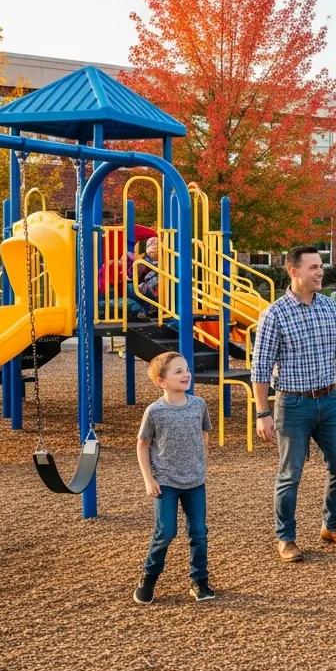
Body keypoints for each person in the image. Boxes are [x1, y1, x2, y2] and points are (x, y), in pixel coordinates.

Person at [252, 245, 336, 563]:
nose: (320, 272)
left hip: (328, 401)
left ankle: (333, 527)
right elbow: (260, 369)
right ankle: (286, 538)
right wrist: (263, 413)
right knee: (291, 473)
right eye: (314, 267)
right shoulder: (275, 314)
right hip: (293, 404)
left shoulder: (329, 308)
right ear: (294, 271)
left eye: (321, 266)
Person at [134, 351, 215, 605]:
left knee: (199, 532)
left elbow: (204, 433)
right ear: (161, 381)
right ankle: (148, 578)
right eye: (178, 371)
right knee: (166, 531)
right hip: (166, 482)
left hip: (194, 482)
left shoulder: (198, 405)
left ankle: (199, 581)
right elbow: (143, 444)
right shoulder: (155, 411)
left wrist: (201, 462)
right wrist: (149, 479)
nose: (186, 374)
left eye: (186, 369)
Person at [135, 235, 161, 303]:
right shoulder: (148, 260)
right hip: (152, 285)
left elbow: (138, 273)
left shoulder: (145, 260)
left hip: (151, 287)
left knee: (130, 289)